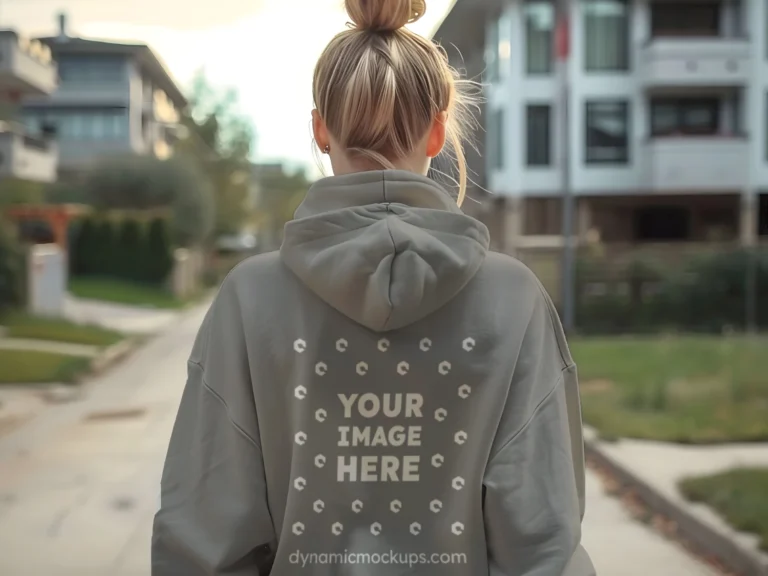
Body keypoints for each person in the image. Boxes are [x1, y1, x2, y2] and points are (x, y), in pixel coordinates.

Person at [151, 0, 596, 574]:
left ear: (319, 129)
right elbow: (543, 545)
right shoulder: (513, 300)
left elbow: (203, 538)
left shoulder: (249, 299)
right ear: (439, 131)